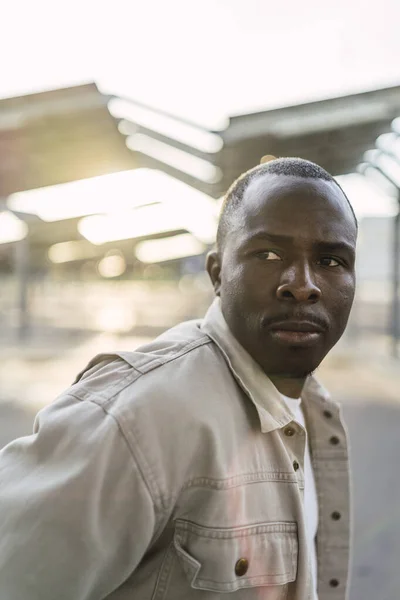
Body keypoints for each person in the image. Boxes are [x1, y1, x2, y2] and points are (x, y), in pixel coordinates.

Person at [0, 157, 357, 600]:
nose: (303, 284)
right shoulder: (135, 418)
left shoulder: (313, 409)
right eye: (267, 253)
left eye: (331, 260)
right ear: (217, 274)